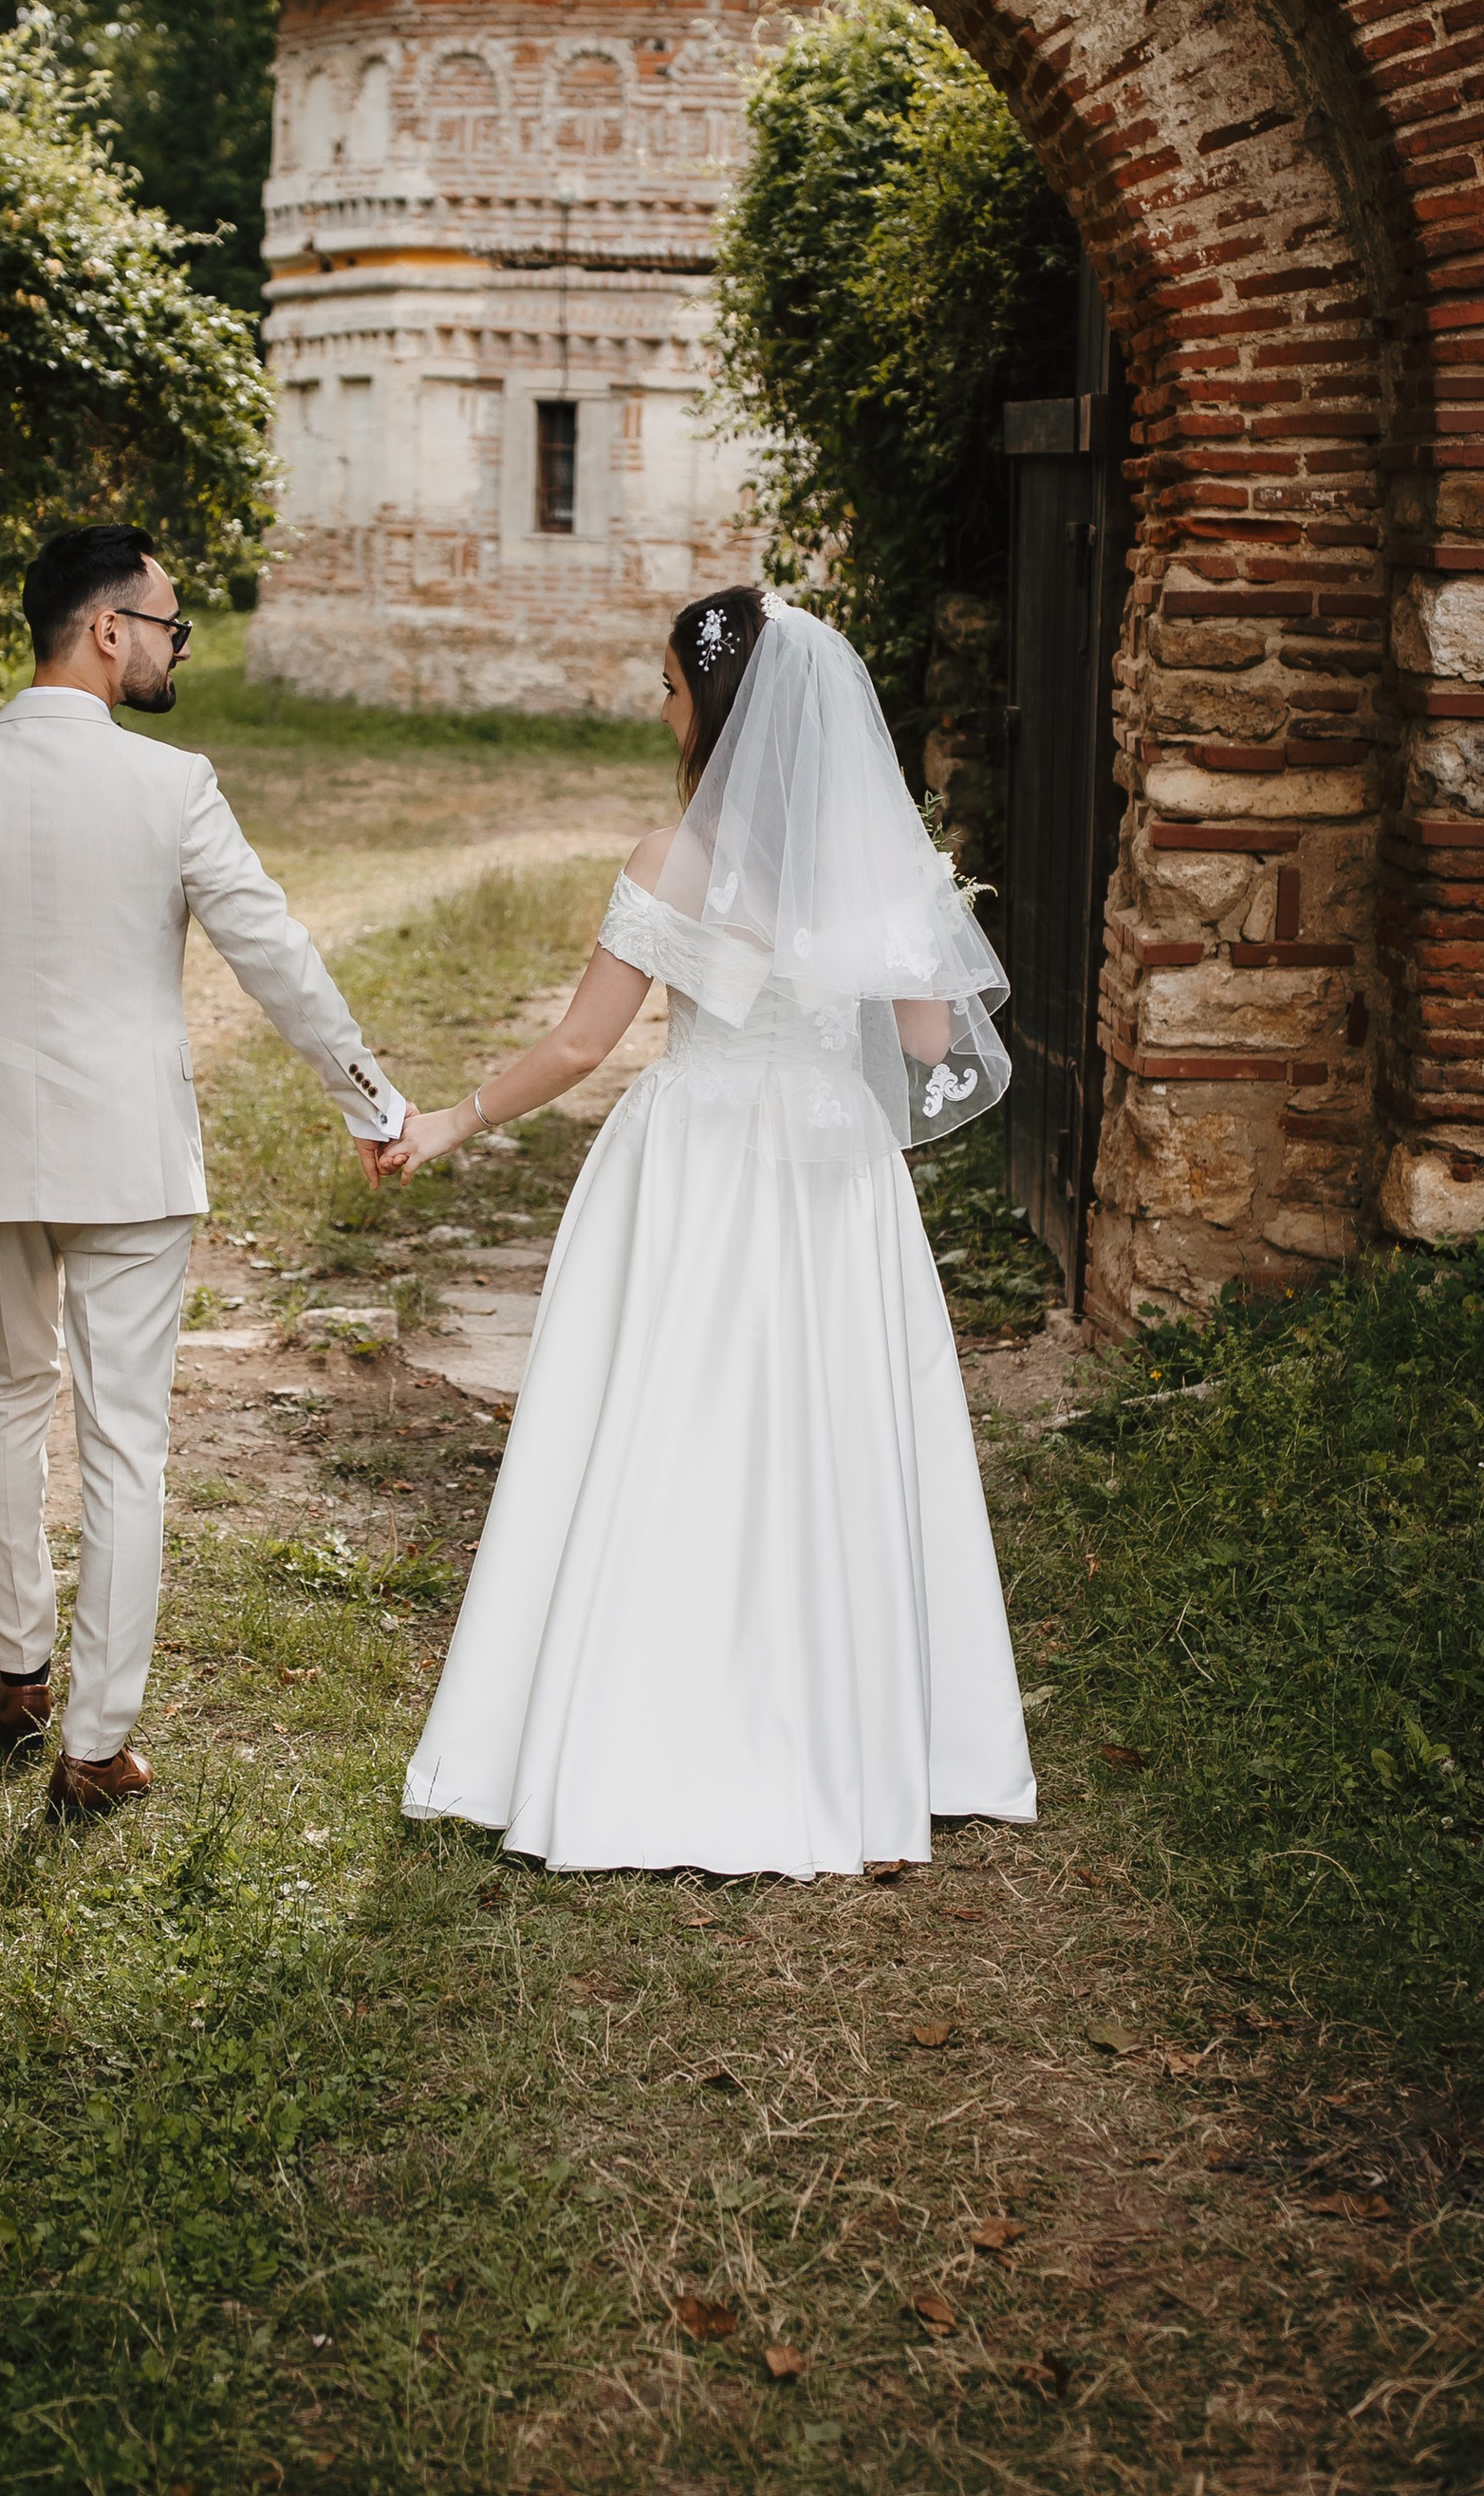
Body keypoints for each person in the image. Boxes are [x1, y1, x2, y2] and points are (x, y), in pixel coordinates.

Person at [389, 587, 1035, 1878]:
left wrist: (451, 1121)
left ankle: (641, 1723)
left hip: (693, 1159)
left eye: (673, 687)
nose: (661, 706)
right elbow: (922, 1045)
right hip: (834, 1169)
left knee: (671, 1423)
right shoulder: (871, 864)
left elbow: (584, 1043)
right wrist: (908, 924)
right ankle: (863, 1739)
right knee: (831, 1424)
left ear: (720, 708)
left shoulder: (668, 860)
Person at [0, 523, 405, 1819]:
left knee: (5, 1393)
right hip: (133, 1161)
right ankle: (95, 1746)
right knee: (126, 1441)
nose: (175, 647)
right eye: (168, 624)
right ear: (107, 629)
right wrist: (367, 1097)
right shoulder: (173, 788)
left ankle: (16, 1671)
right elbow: (271, 949)